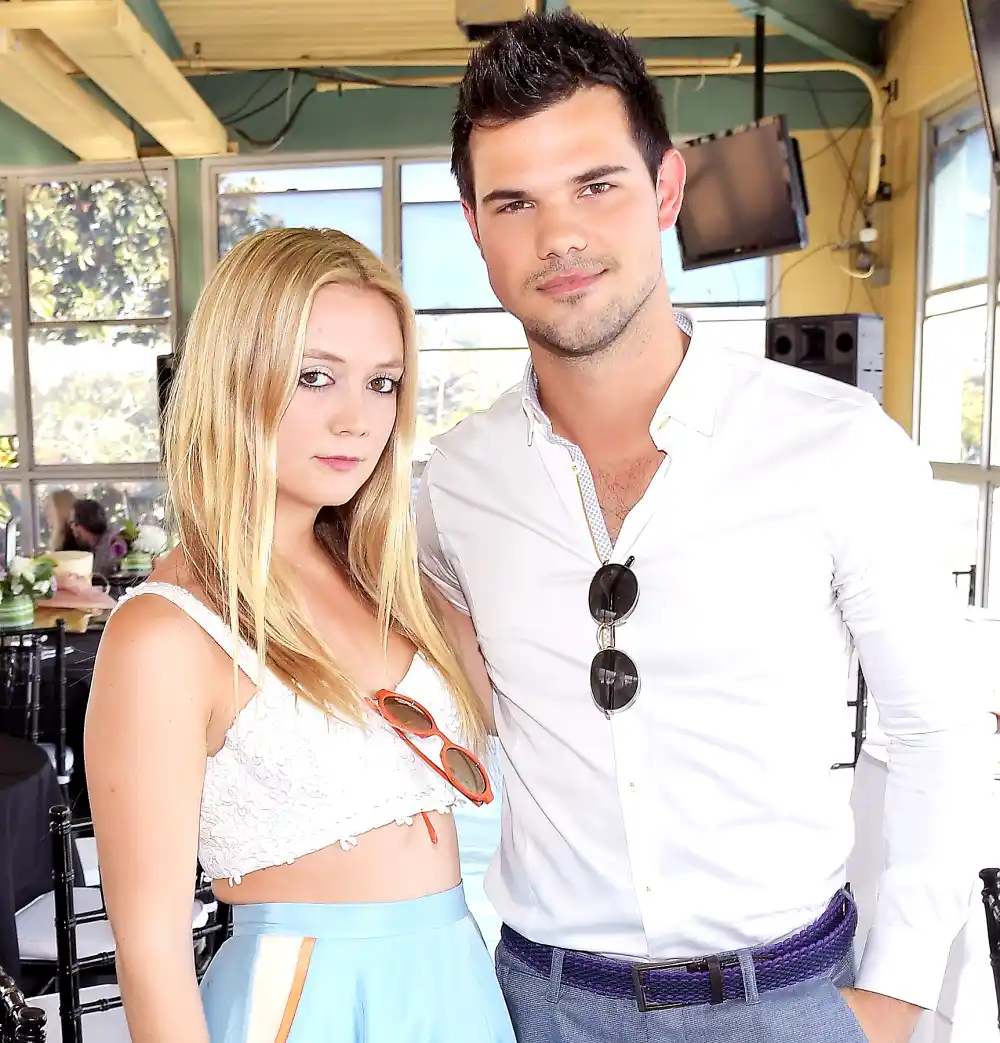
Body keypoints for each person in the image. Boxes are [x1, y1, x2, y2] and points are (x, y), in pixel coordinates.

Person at [415, 12, 995, 1043]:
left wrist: (898, 994)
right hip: (542, 1005)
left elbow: (933, 733)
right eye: (514, 202)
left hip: (794, 1000)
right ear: (474, 227)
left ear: (667, 190)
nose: (558, 237)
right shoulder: (454, 485)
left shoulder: (839, 446)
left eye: (596, 185)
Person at [84, 228, 516, 1043]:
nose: (358, 420)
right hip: (305, 1004)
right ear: (234, 376)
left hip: (457, 982)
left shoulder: (393, 583)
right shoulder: (165, 632)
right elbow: (150, 950)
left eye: (383, 382)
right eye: (315, 376)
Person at [69, 498, 116, 577]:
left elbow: (97, 581)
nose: (71, 527)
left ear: (81, 524)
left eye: (72, 522)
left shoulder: (105, 554)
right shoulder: (107, 541)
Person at [45, 488, 81, 553]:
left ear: (61, 509)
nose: (47, 512)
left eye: (49, 506)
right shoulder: (61, 538)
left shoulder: (70, 540)